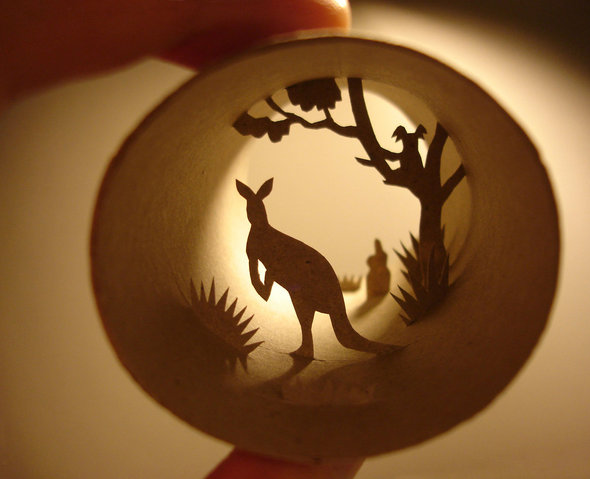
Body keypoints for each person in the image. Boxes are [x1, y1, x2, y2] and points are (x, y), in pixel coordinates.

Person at [0, 1, 362, 477]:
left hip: (306, 277)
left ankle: (310, 343)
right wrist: (260, 282)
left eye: (257, 205)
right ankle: (309, 343)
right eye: (252, 206)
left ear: (261, 203)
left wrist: (264, 281)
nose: (255, 210)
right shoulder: (259, 236)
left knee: (302, 296)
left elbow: (261, 265)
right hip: (292, 273)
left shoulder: (268, 236)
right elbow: (256, 265)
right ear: (249, 204)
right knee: (296, 293)